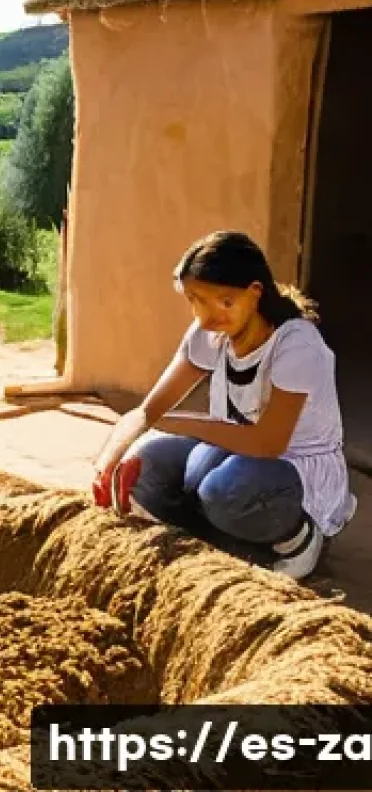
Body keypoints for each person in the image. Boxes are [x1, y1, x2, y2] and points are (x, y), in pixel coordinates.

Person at [93, 230, 356, 580]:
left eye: (224, 302)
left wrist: (171, 422)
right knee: (145, 464)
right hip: (232, 453)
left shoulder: (296, 345)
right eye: (194, 301)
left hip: (289, 467)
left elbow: (268, 443)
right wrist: (111, 457)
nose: (205, 317)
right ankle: (220, 542)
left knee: (225, 489)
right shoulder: (210, 334)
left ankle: (298, 541)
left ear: (255, 293)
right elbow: (146, 411)